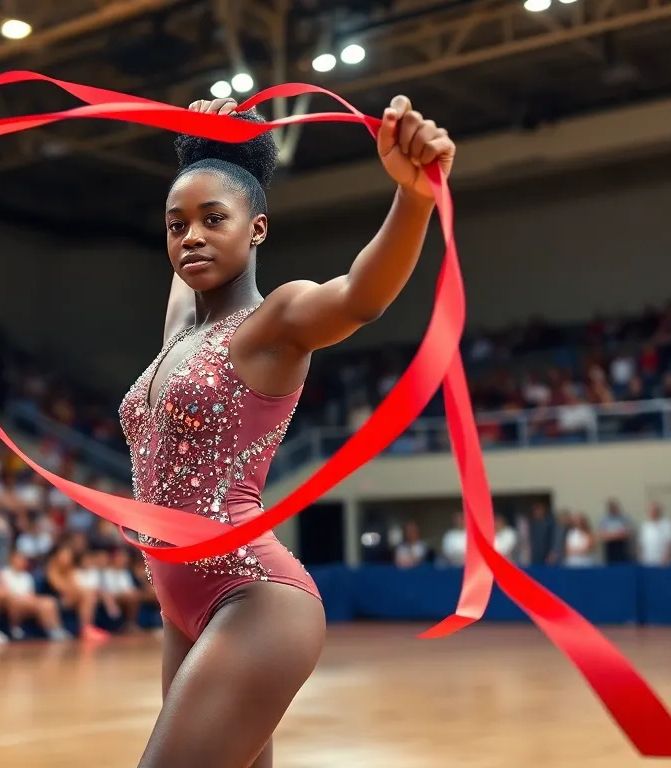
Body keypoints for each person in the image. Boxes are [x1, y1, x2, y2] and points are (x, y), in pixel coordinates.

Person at [119, 94, 454, 767]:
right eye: (177, 225)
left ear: (258, 229)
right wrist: (205, 141)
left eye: (215, 219)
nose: (192, 236)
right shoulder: (179, 331)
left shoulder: (275, 322)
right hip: (181, 609)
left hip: (253, 598)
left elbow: (361, 296)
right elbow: (197, 203)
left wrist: (413, 197)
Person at [0, 551, 71, 642]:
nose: (21, 562)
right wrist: (21, 598)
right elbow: (5, 592)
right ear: (12, 560)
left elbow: (31, 594)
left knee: (49, 601)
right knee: (21, 603)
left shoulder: (27, 576)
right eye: (19, 559)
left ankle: (56, 630)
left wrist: (30, 599)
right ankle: (15, 628)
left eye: (23, 560)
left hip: (28, 601)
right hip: (13, 601)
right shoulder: (4, 573)